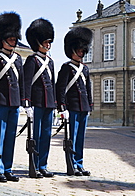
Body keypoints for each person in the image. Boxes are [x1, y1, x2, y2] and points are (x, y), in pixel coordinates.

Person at [0, 11, 25, 183]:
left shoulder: (18, 59)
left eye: (15, 38)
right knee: (0, 137)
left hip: (14, 103)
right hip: (1, 102)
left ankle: (8, 168)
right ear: (3, 39)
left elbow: (22, 82)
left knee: (11, 137)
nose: (14, 41)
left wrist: (24, 102)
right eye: (10, 38)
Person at [56, 27, 93, 176]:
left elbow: (88, 89)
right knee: (72, 137)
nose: (82, 53)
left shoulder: (85, 69)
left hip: (83, 107)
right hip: (71, 107)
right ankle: (72, 164)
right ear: (72, 50)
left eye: (83, 50)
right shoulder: (66, 68)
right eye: (79, 50)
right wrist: (62, 107)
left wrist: (89, 106)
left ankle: (79, 163)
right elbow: (60, 88)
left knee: (80, 138)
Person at [23, 18, 56, 178]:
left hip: (48, 103)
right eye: (45, 42)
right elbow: (27, 83)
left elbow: (53, 84)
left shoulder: (50, 62)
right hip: (36, 103)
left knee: (46, 135)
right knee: (36, 136)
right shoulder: (32, 60)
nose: (48, 45)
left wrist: (56, 104)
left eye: (49, 42)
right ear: (38, 42)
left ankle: (43, 164)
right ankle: (34, 165)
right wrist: (27, 103)